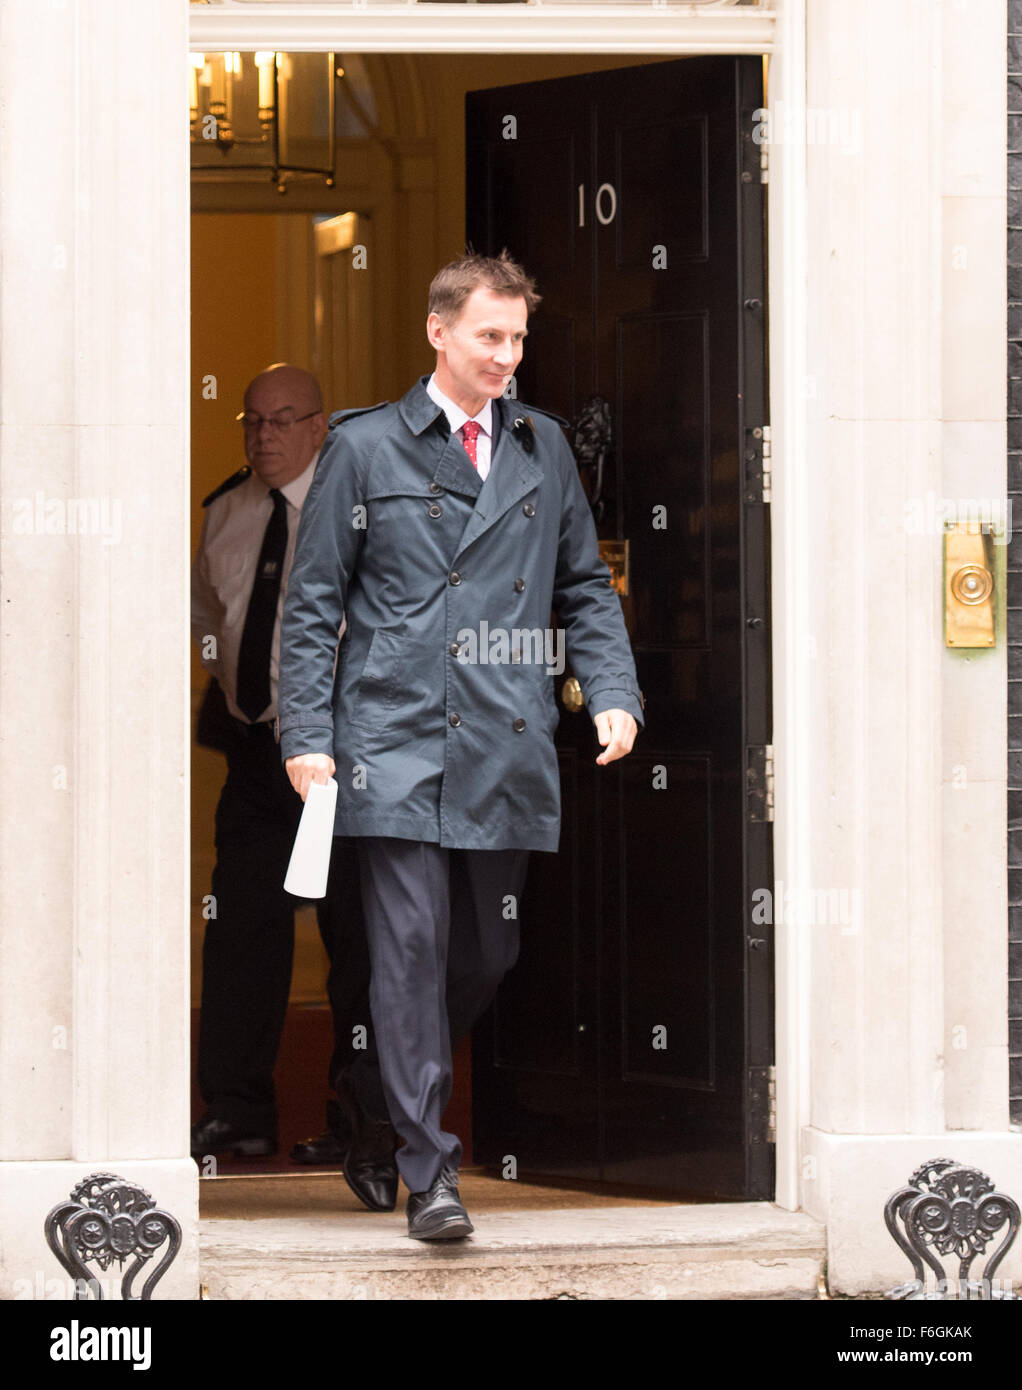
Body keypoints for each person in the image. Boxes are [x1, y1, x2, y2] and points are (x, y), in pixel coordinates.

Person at [278, 254, 642, 1240]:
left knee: (486, 948)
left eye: (518, 339)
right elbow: (310, 602)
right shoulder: (363, 448)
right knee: (407, 947)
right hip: (390, 735)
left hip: (502, 733)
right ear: (437, 332)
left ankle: (371, 1084)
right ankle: (428, 1174)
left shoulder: (543, 448)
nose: (507, 356)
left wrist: (608, 691)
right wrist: (307, 734)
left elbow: (578, 586)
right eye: (490, 336)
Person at [191, 363, 398, 1212]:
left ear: (320, 428)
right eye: (252, 422)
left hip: (339, 759)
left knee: (356, 934)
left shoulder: (358, 510)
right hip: (255, 756)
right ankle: (235, 1114)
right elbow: (207, 624)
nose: (263, 437)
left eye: (282, 421)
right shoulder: (224, 514)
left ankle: (356, 1118)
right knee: (240, 927)